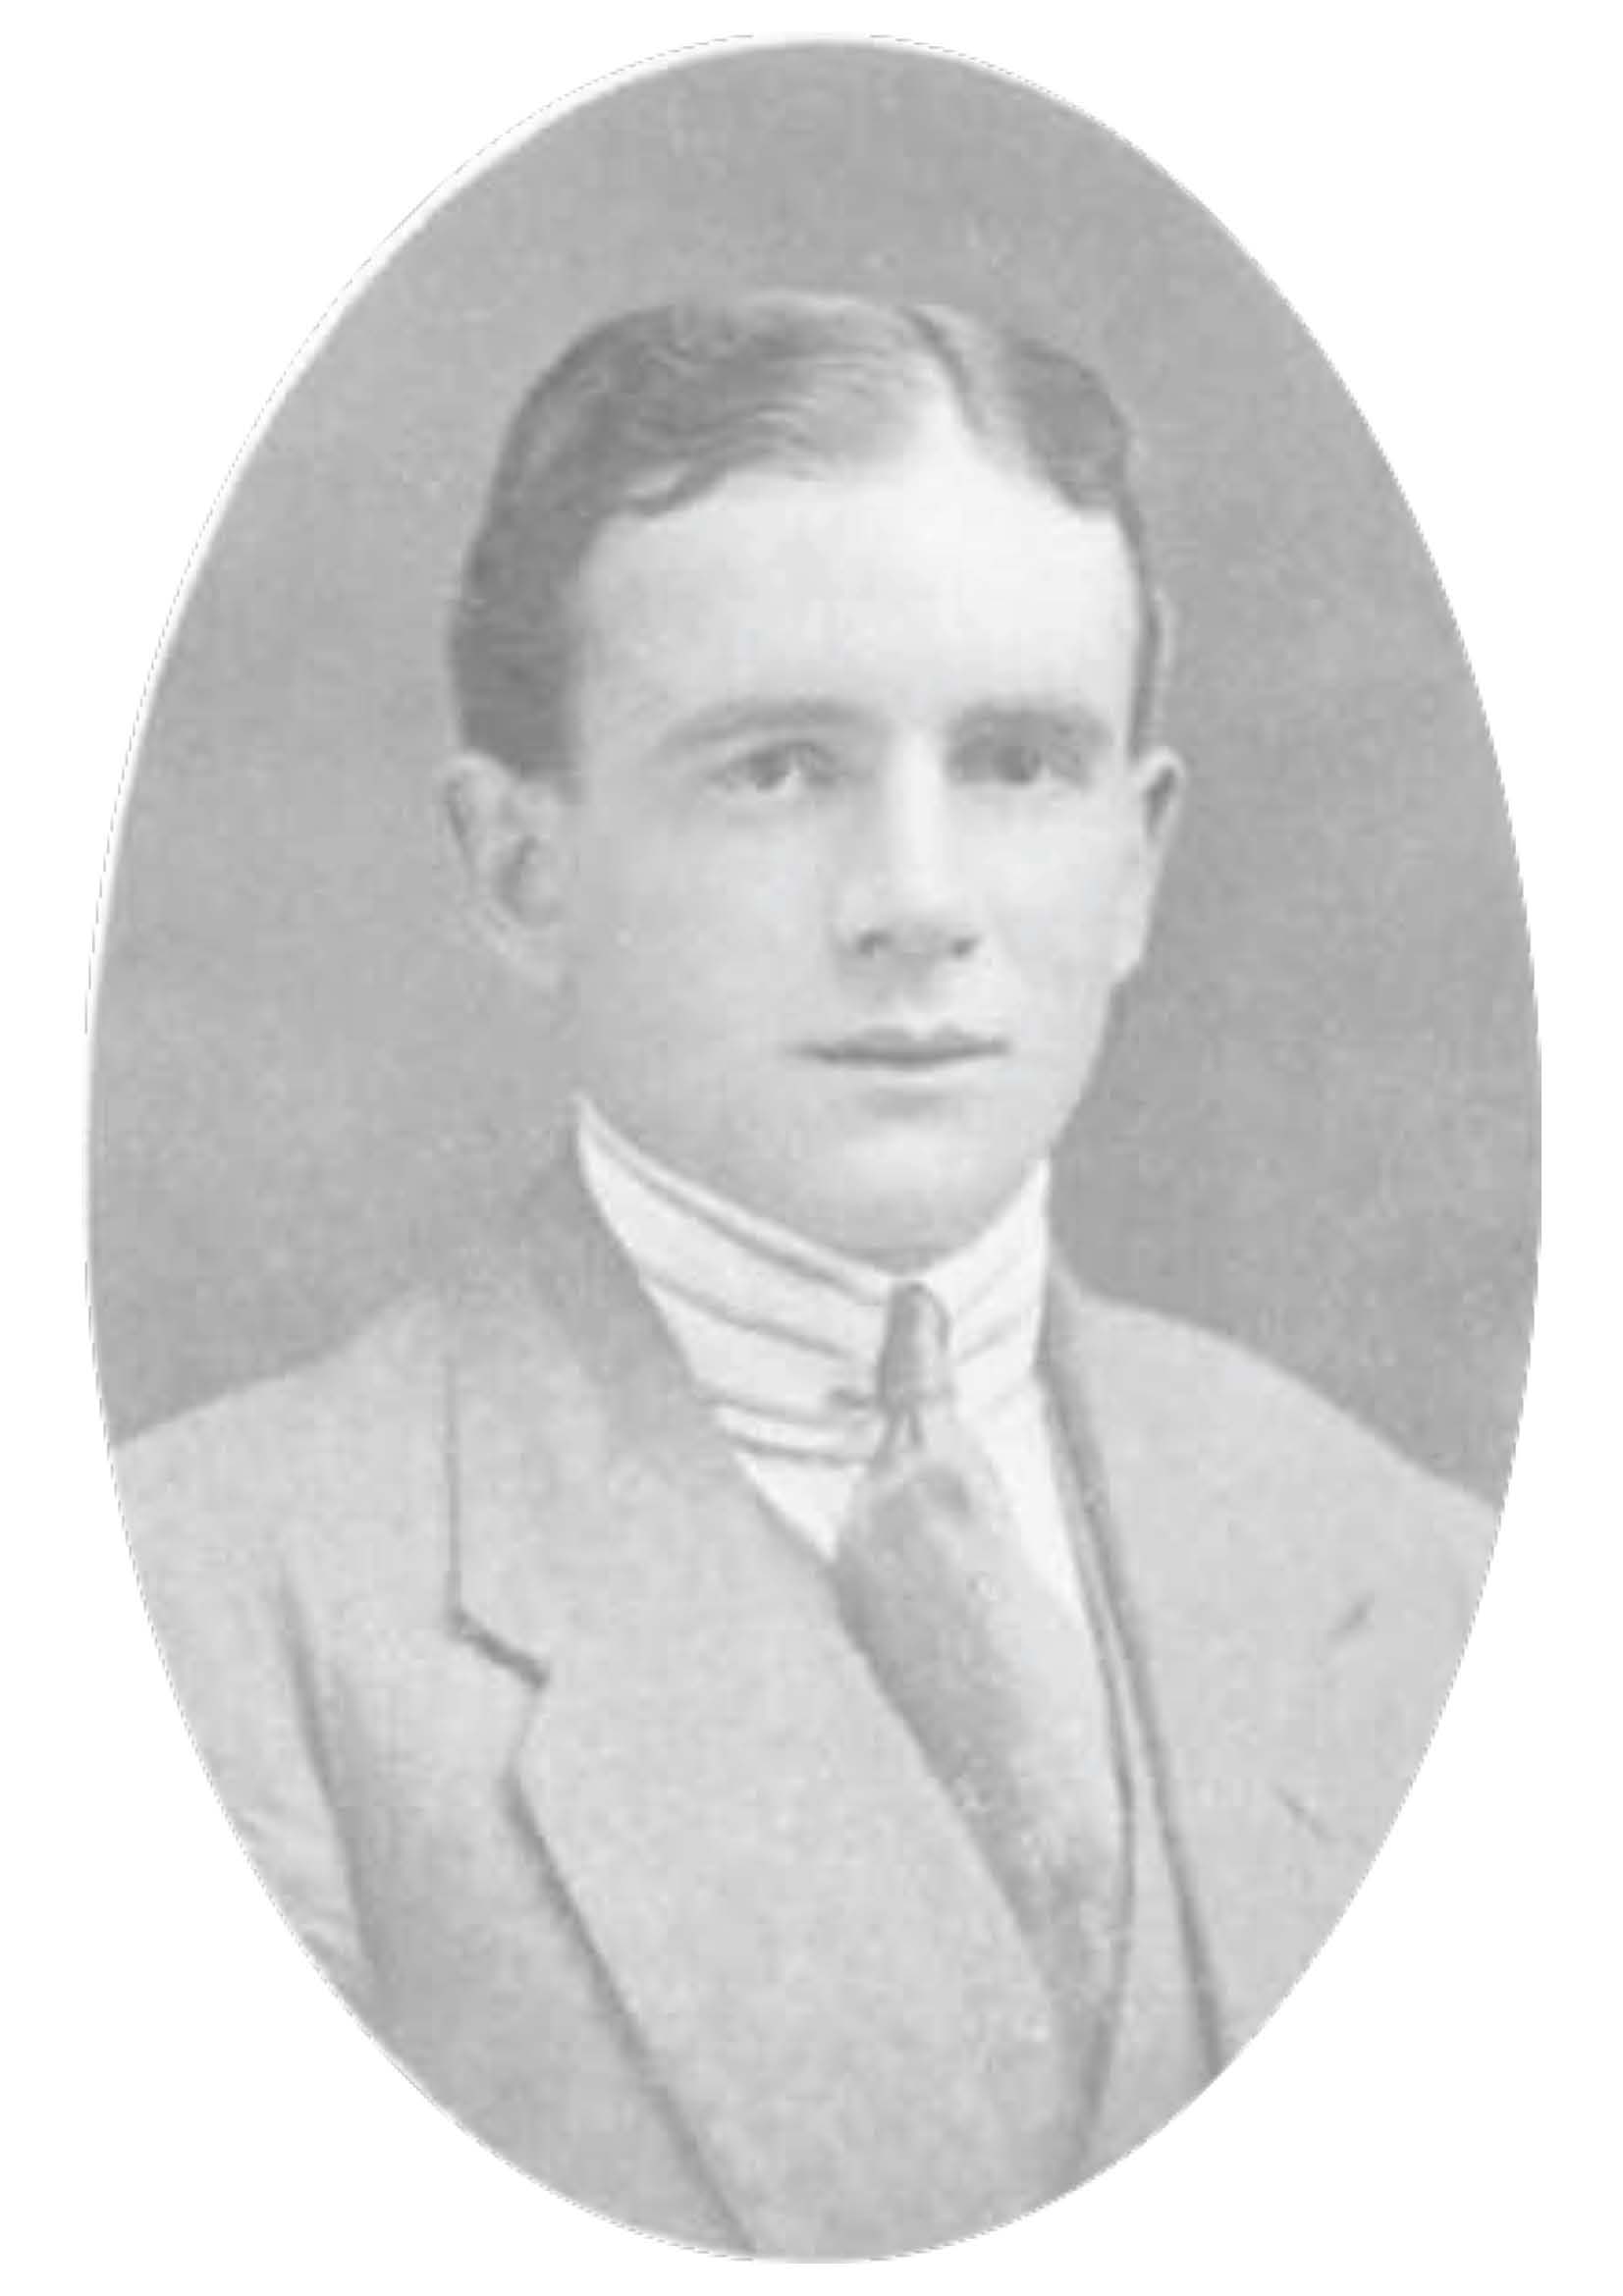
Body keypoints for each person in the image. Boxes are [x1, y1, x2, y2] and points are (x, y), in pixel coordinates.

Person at [117, 293, 1492, 2259]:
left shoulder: (1415, 1571)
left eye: (1015, 763)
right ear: (519, 868)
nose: (914, 903)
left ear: (1134, 864)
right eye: (774, 769)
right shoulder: (201, 1626)